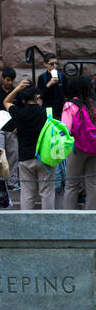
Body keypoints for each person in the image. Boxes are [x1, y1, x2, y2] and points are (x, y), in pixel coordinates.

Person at [3, 80, 54, 210]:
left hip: (25, 157)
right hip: (45, 156)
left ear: (23, 100)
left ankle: (26, 222)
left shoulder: (18, 113)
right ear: (37, 97)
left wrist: (17, 88)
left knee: (27, 193)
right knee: (46, 192)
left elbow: (6, 102)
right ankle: (49, 223)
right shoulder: (47, 113)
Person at [62, 75, 96, 210]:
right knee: (93, 183)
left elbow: (65, 129)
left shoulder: (69, 105)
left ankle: (69, 217)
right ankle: (92, 216)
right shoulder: (93, 104)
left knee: (71, 185)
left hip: (77, 149)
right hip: (94, 148)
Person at [0, 68, 20, 192]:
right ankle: (0, 181)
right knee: (0, 155)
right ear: (2, 78)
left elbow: (19, 110)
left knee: (14, 155)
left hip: (12, 128)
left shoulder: (16, 92)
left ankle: (12, 182)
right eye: (7, 80)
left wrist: (19, 125)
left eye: (12, 80)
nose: (9, 83)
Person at [36, 55, 66, 120]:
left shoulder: (61, 76)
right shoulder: (42, 78)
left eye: (56, 63)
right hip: (47, 109)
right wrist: (49, 84)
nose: (55, 66)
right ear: (45, 64)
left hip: (60, 110)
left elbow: (67, 92)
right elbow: (39, 95)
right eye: (52, 64)